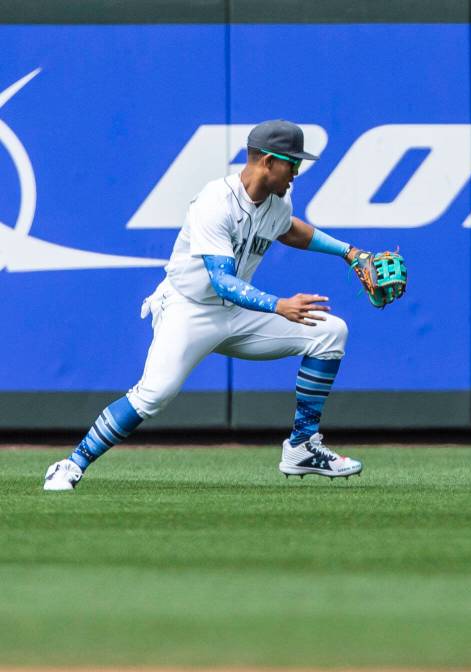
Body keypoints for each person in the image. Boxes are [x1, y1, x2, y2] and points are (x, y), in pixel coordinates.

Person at [43, 120, 390, 490]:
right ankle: (71, 463)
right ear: (268, 162)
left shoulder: (277, 201)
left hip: (237, 313)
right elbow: (220, 280)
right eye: (292, 163)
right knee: (154, 394)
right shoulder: (215, 201)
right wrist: (278, 305)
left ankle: (302, 446)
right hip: (188, 309)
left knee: (330, 332)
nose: (296, 172)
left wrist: (349, 253)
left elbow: (287, 228)